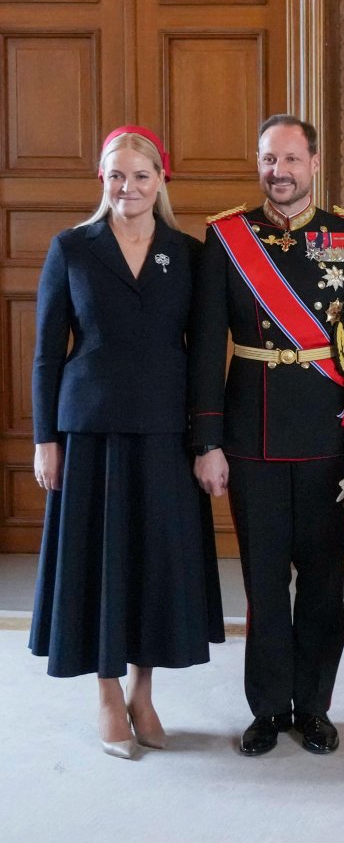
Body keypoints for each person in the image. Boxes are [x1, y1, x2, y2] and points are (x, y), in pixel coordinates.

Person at [190, 114, 344, 757]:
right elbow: (204, 350)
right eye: (269, 160)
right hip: (252, 434)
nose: (280, 172)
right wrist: (208, 440)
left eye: (291, 160)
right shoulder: (227, 236)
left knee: (324, 583)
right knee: (264, 581)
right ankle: (268, 708)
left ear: (314, 163)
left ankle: (317, 707)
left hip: (331, 432)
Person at [29, 125, 224, 759]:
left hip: (167, 431)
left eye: (141, 175)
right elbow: (45, 355)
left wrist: (206, 439)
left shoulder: (188, 254)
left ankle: (144, 689)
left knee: (154, 564)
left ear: (160, 181)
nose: (128, 186)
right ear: (102, 181)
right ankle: (108, 692)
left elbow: (201, 359)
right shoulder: (73, 249)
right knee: (100, 563)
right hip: (89, 431)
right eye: (117, 175)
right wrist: (44, 439)